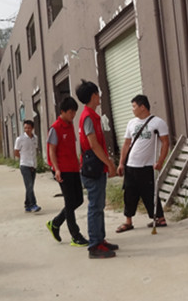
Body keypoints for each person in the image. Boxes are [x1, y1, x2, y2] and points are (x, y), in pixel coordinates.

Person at [76, 79, 118, 259]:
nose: (99, 96)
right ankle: (94, 245)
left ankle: (100, 239)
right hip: (93, 167)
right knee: (95, 206)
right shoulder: (88, 117)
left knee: (99, 205)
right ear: (93, 95)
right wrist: (109, 163)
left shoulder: (92, 116)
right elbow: (93, 144)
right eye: (98, 93)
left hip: (96, 166)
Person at [116, 95, 170, 232]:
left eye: (134, 106)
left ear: (142, 107)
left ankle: (160, 218)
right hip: (131, 165)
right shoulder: (131, 123)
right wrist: (121, 163)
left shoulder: (158, 123)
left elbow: (165, 142)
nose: (132, 109)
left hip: (146, 166)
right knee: (129, 194)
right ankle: (128, 221)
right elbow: (126, 144)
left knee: (149, 193)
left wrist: (160, 161)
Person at [45, 97, 88, 246]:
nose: (73, 115)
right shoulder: (55, 128)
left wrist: (78, 164)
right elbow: (51, 151)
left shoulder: (70, 125)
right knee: (70, 202)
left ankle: (55, 223)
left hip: (73, 168)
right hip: (62, 170)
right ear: (62, 111)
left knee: (78, 200)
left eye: (75, 112)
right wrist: (56, 169)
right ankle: (75, 235)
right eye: (71, 112)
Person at [14, 120, 41, 213]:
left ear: (32, 128)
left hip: (33, 165)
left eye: (29, 128)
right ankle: (33, 204)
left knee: (30, 186)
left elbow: (35, 149)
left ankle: (27, 205)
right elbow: (16, 152)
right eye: (25, 128)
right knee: (29, 186)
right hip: (25, 165)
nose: (27, 129)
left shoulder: (35, 138)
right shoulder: (20, 139)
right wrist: (24, 159)